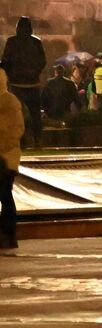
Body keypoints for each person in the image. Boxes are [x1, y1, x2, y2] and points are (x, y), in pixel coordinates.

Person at [2, 18, 47, 148]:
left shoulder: (12, 42)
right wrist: (35, 73)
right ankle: (38, 140)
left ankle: (20, 141)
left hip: (16, 85)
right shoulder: (36, 42)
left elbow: (6, 61)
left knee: (16, 115)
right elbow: (42, 61)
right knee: (35, 115)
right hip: (33, 84)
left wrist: (10, 75)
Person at [0, 71, 22, 252]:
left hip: (5, 158)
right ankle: (7, 234)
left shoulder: (8, 101)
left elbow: (15, 130)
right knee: (5, 195)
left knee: (5, 195)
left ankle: (8, 233)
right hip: (7, 156)